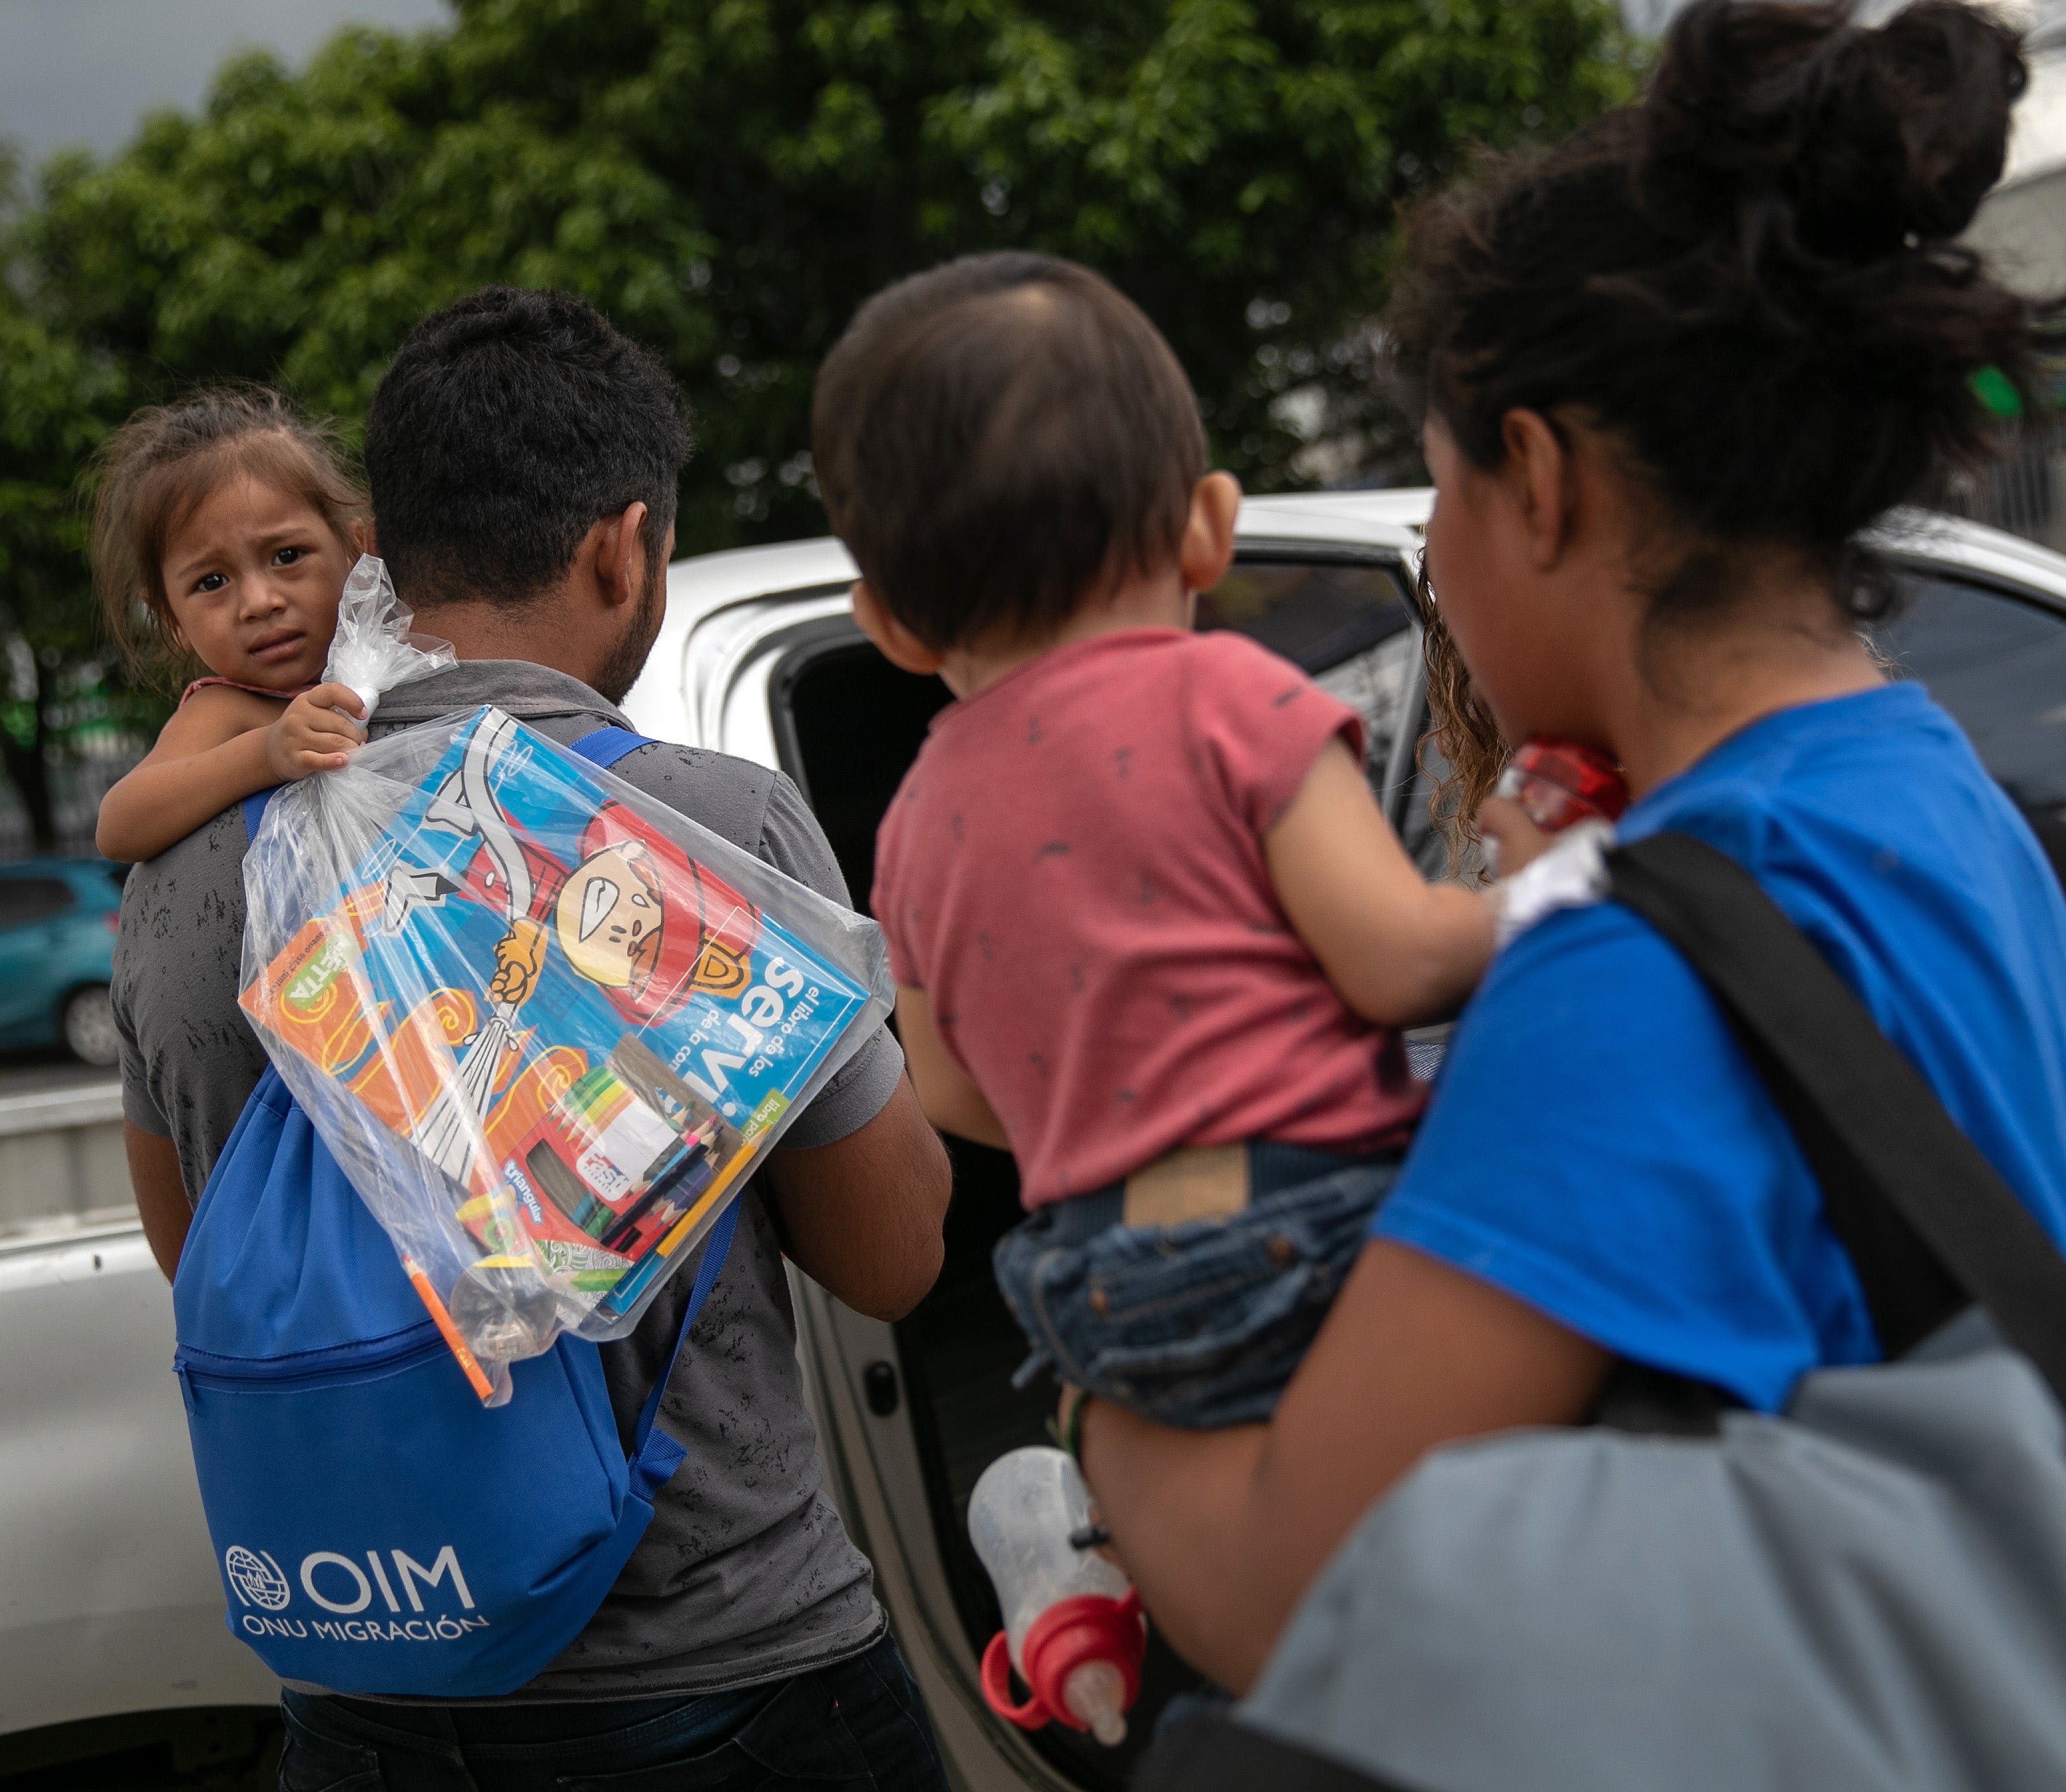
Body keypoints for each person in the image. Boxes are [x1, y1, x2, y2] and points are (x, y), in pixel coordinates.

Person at [1076, 0, 2066, 1695]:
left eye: (1441, 499)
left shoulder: (1633, 964)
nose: (1445, 568)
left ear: (1539, 481)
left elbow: (1295, 1593)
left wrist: (1097, 1391)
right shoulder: (1931, 794)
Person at [110, 287, 957, 1791]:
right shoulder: (712, 827)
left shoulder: (178, 880)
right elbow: (889, 1256)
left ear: (381, 546)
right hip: (724, 1677)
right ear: (620, 544)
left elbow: (203, 1259)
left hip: (365, 1682)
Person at [815, 252, 1501, 1432]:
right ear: (1205, 527)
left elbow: (944, 1086)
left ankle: (1092, 1590)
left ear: (887, 625)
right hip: (1313, 1227)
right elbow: (1396, 962)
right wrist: (1558, 890)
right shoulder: (1225, 697)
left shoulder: (915, 815)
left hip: (1092, 1283)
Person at [87, 387, 376, 863]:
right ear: (171, 619)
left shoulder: (396, 659)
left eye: (287, 556)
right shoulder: (226, 709)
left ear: (355, 550)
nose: (259, 603)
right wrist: (265, 753)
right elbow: (118, 825)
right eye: (212, 581)